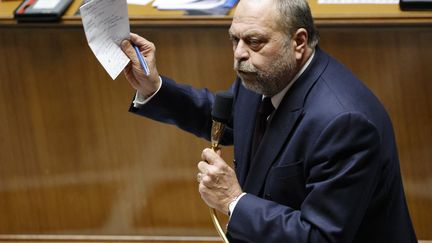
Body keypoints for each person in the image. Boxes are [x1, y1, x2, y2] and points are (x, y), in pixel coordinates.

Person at [120, 0, 417, 242]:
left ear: (299, 42)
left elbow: (320, 238)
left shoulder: (345, 124)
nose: (239, 54)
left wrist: (234, 201)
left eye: (254, 41)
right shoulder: (265, 74)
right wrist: (153, 86)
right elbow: (227, 119)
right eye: (234, 40)